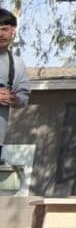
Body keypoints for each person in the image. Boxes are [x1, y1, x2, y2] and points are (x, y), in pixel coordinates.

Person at [0, 8, 30, 164]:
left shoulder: (16, 63)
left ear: (13, 31)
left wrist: (14, 99)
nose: (1, 34)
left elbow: (24, 97)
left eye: (4, 29)